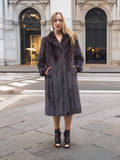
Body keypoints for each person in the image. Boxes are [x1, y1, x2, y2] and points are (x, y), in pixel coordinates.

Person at [37, 12, 84, 149]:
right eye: (56, 20)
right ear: (52, 23)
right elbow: (41, 60)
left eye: (60, 20)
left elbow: (79, 57)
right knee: (55, 108)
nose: (58, 22)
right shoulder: (46, 40)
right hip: (53, 79)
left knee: (69, 109)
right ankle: (57, 134)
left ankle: (67, 134)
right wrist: (45, 70)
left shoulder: (72, 38)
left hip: (69, 78)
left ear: (63, 22)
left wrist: (76, 68)